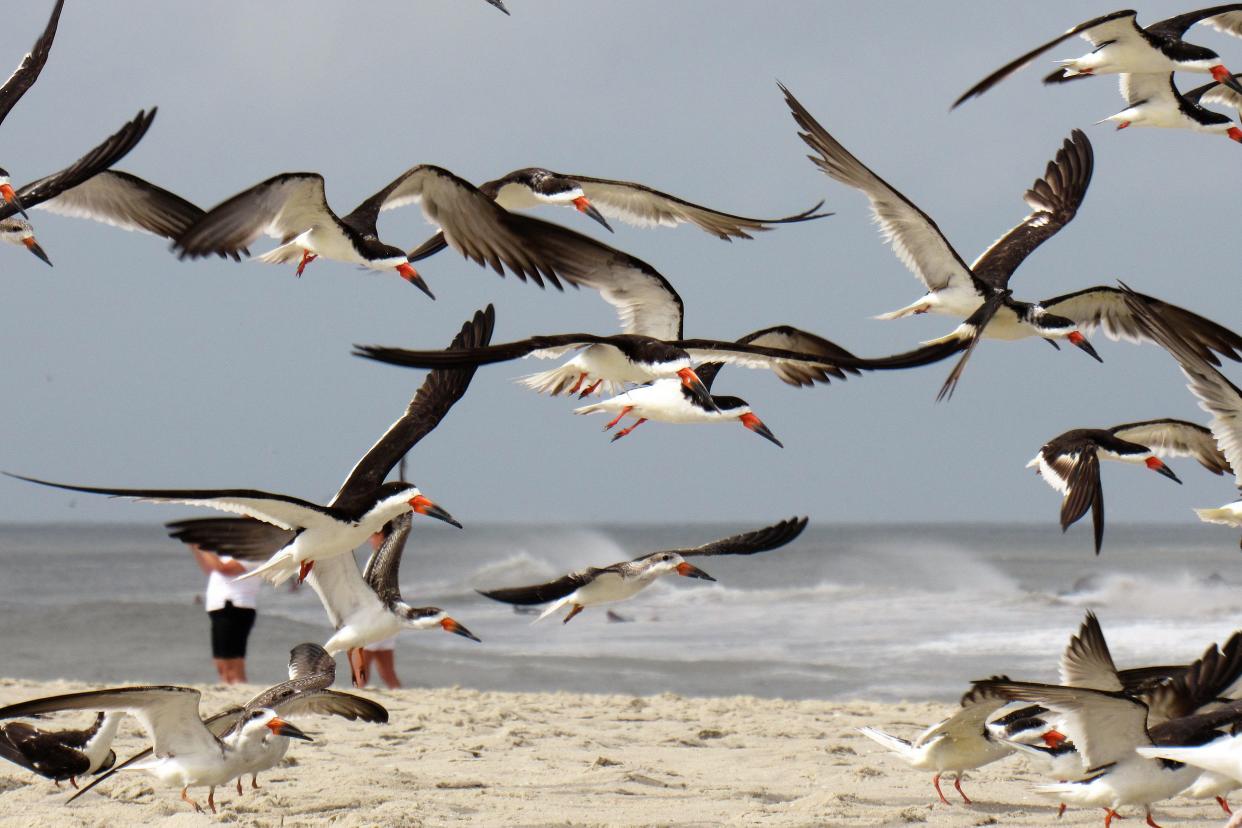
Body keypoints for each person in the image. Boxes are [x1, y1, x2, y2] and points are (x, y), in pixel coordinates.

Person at [190, 544, 260, 684]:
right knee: (221, 663)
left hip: (236, 605)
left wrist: (203, 546)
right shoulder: (230, 552)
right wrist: (195, 547)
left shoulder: (254, 550)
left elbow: (225, 569)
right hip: (219, 606)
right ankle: (227, 688)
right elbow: (211, 569)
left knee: (233, 663)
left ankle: (241, 694)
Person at [358, 527, 402, 689]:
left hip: (374, 621)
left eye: (373, 535)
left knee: (362, 672)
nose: (370, 539)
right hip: (387, 620)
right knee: (387, 673)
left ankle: (357, 706)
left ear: (381, 536)